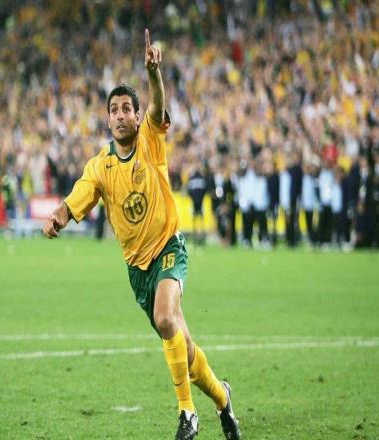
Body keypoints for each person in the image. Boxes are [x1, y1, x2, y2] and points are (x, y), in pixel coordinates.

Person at [43, 30, 241, 440]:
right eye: (113, 110)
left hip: (168, 247)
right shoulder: (100, 166)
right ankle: (223, 398)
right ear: (107, 119)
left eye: (126, 109)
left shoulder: (150, 139)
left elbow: (158, 103)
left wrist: (154, 74)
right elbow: (78, 197)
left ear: (137, 116)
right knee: (185, 351)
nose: (120, 115)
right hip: (138, 270)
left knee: (165, 317)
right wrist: (59, 216)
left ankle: (187, 413)